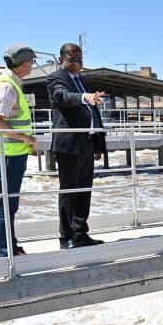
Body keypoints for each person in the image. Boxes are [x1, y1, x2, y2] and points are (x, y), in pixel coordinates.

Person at [47, 42, 107, 248]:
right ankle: (66, 237)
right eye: (72, 59)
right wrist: (85, 97)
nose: (77, 63)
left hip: (87, 144)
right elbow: (62, 97)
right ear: (61, 59)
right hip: (69, 145)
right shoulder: (56, 78)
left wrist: (98, 143)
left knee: (84, 191)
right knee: (69, 191)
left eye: (80, 59)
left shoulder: (82, 80)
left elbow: (93, 113)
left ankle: (81, 233)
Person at [0, 43, 38, 258]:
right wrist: (26, 138)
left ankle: (11, 247)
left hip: (11, 153)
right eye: (32, 62)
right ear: (25, 64)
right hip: (8, 154)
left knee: (10, 203)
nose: (32, 66)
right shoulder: (7, 85)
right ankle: (6, 253)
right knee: (6, 204)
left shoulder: (10, 82)